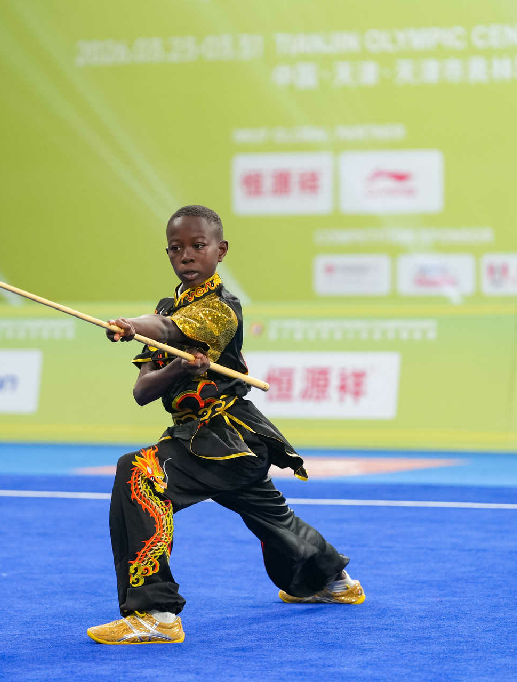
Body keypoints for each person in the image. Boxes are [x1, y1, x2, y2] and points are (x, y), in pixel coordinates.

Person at [87, 205, 363, 645]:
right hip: (206, 443)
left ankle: (155, 614)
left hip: (228, 436)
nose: (187, 255)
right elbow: (143, 391)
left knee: (137, 472)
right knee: (271, 516)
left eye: (198, 246)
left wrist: (130, 325)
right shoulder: (168, 307)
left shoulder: (221, 308)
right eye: (176, 248)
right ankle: (334, 582)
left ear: (221, 250)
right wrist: (180, 368)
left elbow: (165, 328)